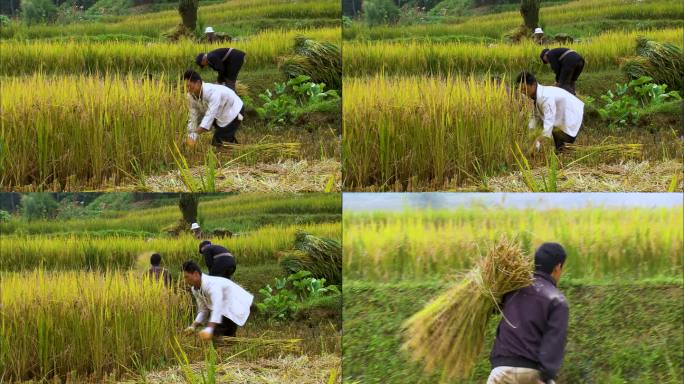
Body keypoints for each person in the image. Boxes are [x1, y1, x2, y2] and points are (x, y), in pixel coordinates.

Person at [487, 242, 569, 384]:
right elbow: (554, 342)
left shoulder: (512, 287)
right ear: (558, 267)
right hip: (532, 372)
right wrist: (547, 374)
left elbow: (491, 307)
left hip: (501, 371)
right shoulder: (557, 300)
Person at [182, 261, 253, 340]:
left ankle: (227, 343)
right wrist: (193, 326)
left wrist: (210, 328)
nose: (185, 280)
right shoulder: (195, 289)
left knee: (216, 334)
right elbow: (203, 310)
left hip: (234, 304)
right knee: (224, 336)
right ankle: (229, 343)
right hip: (224, 308)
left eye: (186, 277)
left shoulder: (211, 285)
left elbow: (217, 307)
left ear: (195, 274)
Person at [516, 71, 584, 152]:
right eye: (521, 89)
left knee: (564, 147)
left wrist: (537, 141)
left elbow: (549, 124)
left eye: (524, 89)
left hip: (572, 113)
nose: (523, 92)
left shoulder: (545, 97)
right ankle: (560, 152)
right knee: (558, 140)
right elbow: (535, 115)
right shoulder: (536, 94)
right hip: (561, 114)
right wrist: (531, 130)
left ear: (533, 84)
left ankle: (566, 155)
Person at [184, 69, 244, 147]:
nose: (188, 90)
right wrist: (191, 136)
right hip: (221, 114)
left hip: (235, 111)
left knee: (217, 142)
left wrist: (194, 134)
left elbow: (209, 117)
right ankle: (235, 146)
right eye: (186, 87)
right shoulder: (190, 96)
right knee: (224, 137)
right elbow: (193, 117)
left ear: (198, 83)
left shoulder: (212, 92)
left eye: (190, 86)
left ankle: (232, 146)